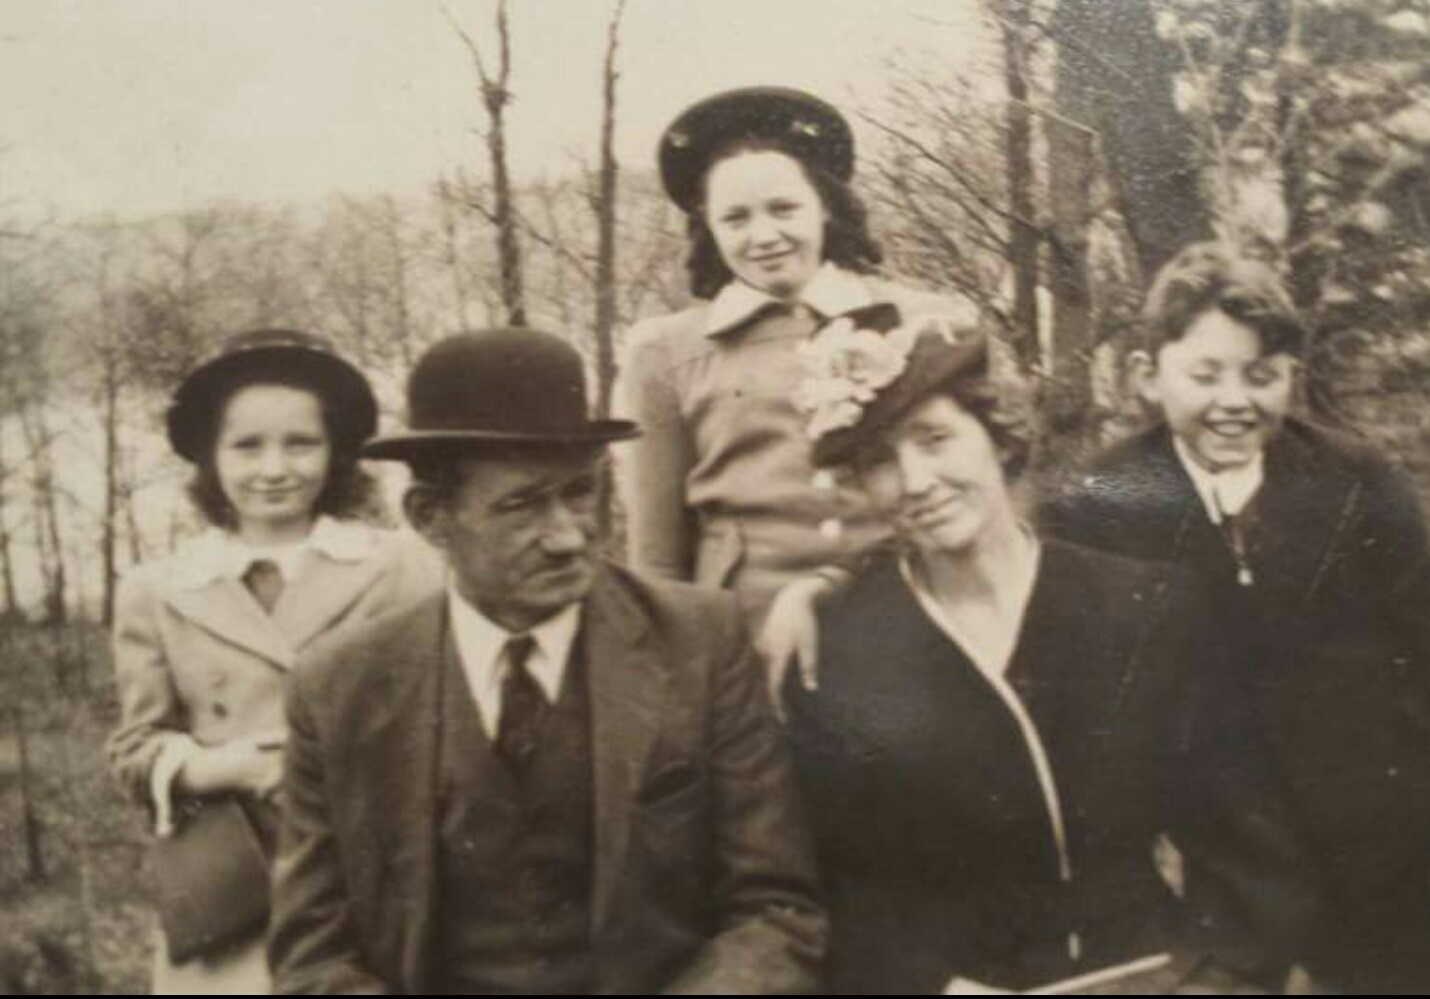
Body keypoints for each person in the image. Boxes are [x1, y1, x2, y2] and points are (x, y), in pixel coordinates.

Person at [267, 328, 825, 995]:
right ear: (429, 516)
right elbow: (313, 957)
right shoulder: (340, 687)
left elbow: (776, 912)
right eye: (521, 505)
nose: (566, 536)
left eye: (580, 493)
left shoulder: (701, 641)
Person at [780, 310, 1307, 993]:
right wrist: (934, 985)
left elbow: (1250, 859)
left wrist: (1209, 982)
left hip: (1153, 975)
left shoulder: (1146, 607)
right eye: (879, 460)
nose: (915, 480)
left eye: (936, 439)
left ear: (998, 437)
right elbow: (843, 889)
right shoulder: (840, 649)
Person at [1039, 241, 1430, 992]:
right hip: (1212, 872)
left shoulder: (1362, 487)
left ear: (1291, 377)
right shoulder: (1094, 508)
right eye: (1205, 374)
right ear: (1149, 376)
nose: (1234, 401)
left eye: (1261, 375)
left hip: (1379, 852)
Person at [107, 329, 437, 993]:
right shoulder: (158, 588)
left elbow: (445, 715)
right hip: (238, 895)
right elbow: (135, 748)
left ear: (337, 452)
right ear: (210, 456)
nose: (274, 468)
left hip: (372, 875)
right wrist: (225, 766)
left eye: (301, 443)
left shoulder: (405, 565)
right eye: (247, 445)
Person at [619, 86, 956, 628]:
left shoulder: (925, 321)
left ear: (824, 207)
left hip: (911, 621)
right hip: (744, 641)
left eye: (783, 209)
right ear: (709, 227)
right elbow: (657, 559)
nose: (764, 236)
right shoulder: (664, 352)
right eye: (736, 219)